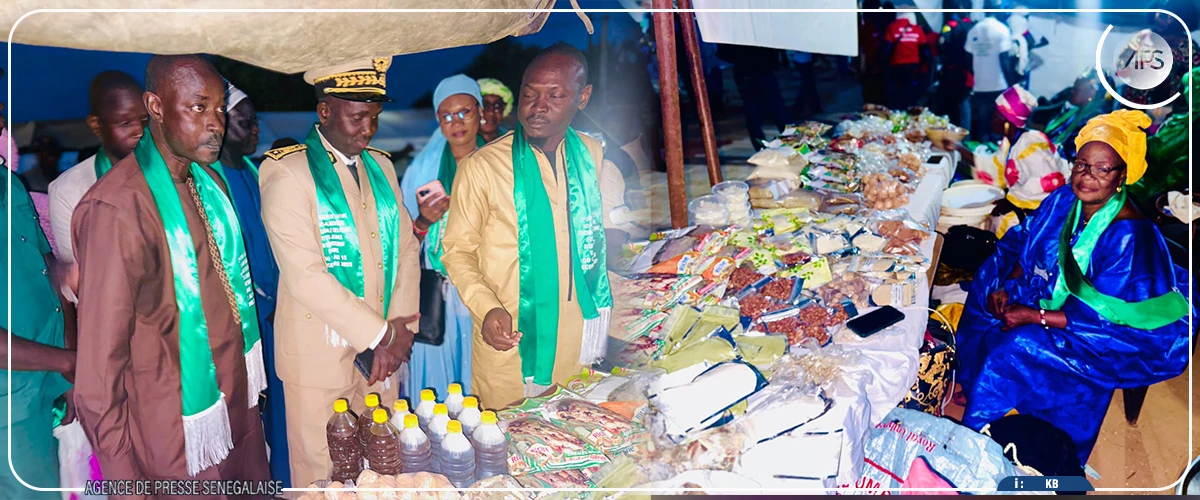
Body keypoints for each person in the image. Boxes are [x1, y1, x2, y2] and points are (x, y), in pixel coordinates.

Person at [72, 54, 270, 483]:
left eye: (219, 108)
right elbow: (99, 374)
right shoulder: (117, 209)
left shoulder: (210, 183)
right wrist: (125, 482)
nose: (215, 122)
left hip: (240, 414)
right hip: (174, 434)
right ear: (156, 107)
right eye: (198, 107)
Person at [954, 110, 1190, 464]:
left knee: (1019, 346)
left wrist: (1033, 316)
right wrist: (1009, 284)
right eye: (1081, 165)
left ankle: (977, 443)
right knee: (986, 292)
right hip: (1055, 296)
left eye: (1102, 169)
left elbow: (1107, 318)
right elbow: (1027, 242)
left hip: (1110, 331)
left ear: (1121, 175)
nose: (1087, 177)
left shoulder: (1128, 236)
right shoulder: (1065, 200)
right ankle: (977, 386)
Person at [258, 57, 420, 487]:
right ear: (325, 111)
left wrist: (401, 327)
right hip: (319, 357)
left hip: (383, 354)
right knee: (323, 476)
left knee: (383, 464)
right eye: (357, 117)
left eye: (375, 117)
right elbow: (304, 273)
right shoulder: (286, 172)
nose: (368, 129)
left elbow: (406, 248)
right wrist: (382, 334)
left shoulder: (381, 167)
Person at [441, 43, 627, 408]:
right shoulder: (483, 167)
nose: (538, 106)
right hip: (512, 334)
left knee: (575, 444)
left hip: (579, 336)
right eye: (530, 94)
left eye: (555, 95)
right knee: (509, 449)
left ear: (583, 97)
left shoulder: (591, 153)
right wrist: (486, 306)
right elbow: (457, 251)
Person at [218, 82, 289, 486]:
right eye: (247, 122)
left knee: (281, 411)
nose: (256, 130)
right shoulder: (209, 178)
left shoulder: (254, 170)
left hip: (279, 311)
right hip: (247, 319)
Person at [398, 74, 484, 399]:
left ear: (481, 112)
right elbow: (401, 244)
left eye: (465, 111)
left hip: (486, 294)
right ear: (438, 120)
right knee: (438, 401)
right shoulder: (422, 172)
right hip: (438, 298)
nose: (457, 122)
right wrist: (423, 220)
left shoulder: (500, 163)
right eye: (447, 115)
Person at [0, 171, 75, 497]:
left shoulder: (8, 181)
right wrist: (71, 363)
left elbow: (50, 270)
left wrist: (68, 375)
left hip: (44, 386)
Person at [935, 84, 1069, 239]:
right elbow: (995, 169)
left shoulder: (1032, 146)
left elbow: (1049, 185)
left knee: (996, 224)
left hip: (1039, 218)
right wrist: (958, 148)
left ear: (1006, 121)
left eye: (995, 115)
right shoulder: (1010, 143)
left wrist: (1011, 202)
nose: (992, 120)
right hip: (1022, 206)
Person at [49, 70, 148, 266]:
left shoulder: (174, 172)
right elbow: (76, 275)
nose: (139, 131)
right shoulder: (68, 190)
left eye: (145, 120)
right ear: (95, 125)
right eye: (125, 122)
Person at [716, 44, 792, 150]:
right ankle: (790, 143)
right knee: (773, 110)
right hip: (756, 70)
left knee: (760, 112)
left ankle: (764, 147)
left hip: (752, 71)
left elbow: (723, 53)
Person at [964, 2, 1014, 142]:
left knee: (982, 125)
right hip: (999, 85)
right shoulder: (1002, 29)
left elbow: (968, 58)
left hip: (980, 85)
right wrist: (1012, 84)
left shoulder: (974, 30)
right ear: (997, 10)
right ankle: (996, 158)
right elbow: (1005, 60)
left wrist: (977, 72)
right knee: (998, 126)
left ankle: (982, 156)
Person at [934, 9, 974, 128]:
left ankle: (942, 131)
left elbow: (941, 42)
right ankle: (964, 135)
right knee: (963, 104)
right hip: (968, 73)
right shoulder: (974, 26)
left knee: (946, 102)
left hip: (950, 71)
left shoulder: (952, 25)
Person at [882, 11, 931, 109]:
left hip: (896, 68)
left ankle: (895, 118)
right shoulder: (917, 30)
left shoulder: (892, 28)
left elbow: (886, 49)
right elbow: (925, 52)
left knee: (895, 97)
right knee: (911, 97)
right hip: (913, 69)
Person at [477, 77, 513, 143]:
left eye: (497, 106)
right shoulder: (460, 144)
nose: (491, 112)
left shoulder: (512, 140)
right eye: (485, 105)